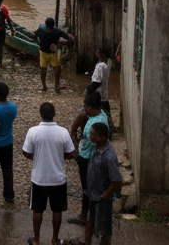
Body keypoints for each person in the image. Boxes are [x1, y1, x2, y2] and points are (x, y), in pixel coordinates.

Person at [22, 101, 76, 245]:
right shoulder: (63, 131)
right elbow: (71, 153)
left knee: (37, 210)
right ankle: (54, 239)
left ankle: (37, 240)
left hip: (39, 178)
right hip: (57, 178)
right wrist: (59, 155)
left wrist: (36, 156)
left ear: (41, 115)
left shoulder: (33, 131)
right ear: (54, 115)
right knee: (57, 211)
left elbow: (26, 152)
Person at [67, 93, 104, 228]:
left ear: (91, 107)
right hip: (85, 155)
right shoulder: (97, 115)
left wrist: (76, 153)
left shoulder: (96, 124)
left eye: (85, 106)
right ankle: (87, 214)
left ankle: (85, 216)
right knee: (87, 188)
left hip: (88, 159)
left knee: (87, 188)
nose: (83, 108)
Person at [84, 123, 122, 245]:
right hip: (93, 194)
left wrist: (104, 195)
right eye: (91, 134)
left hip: (102, 199)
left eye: (94, 135)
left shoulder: (109, 156)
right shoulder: (97, 147)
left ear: (103, 137)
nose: (91, 137)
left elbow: (117, 181)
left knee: (104, 230)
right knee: (91, 220)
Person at [35, 17, 74, 93]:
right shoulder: (53, 30)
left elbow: (35, 35)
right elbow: (69, 38)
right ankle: (50, 86)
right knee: (49, 69)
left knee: (51, 68)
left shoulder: (47, 29)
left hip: (50, 52)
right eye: (49, 28)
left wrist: (61, 43)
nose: (49, 30)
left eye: (50, 28)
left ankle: (51, 86)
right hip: (49, 52)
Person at [92, 48, 113, 132]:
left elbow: (97, 82)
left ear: (100, 54)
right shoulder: (108, 63)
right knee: (106, 115)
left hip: (99, 96)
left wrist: (89, 91)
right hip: (104, 95)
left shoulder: (101, 66)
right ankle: (109, 130)